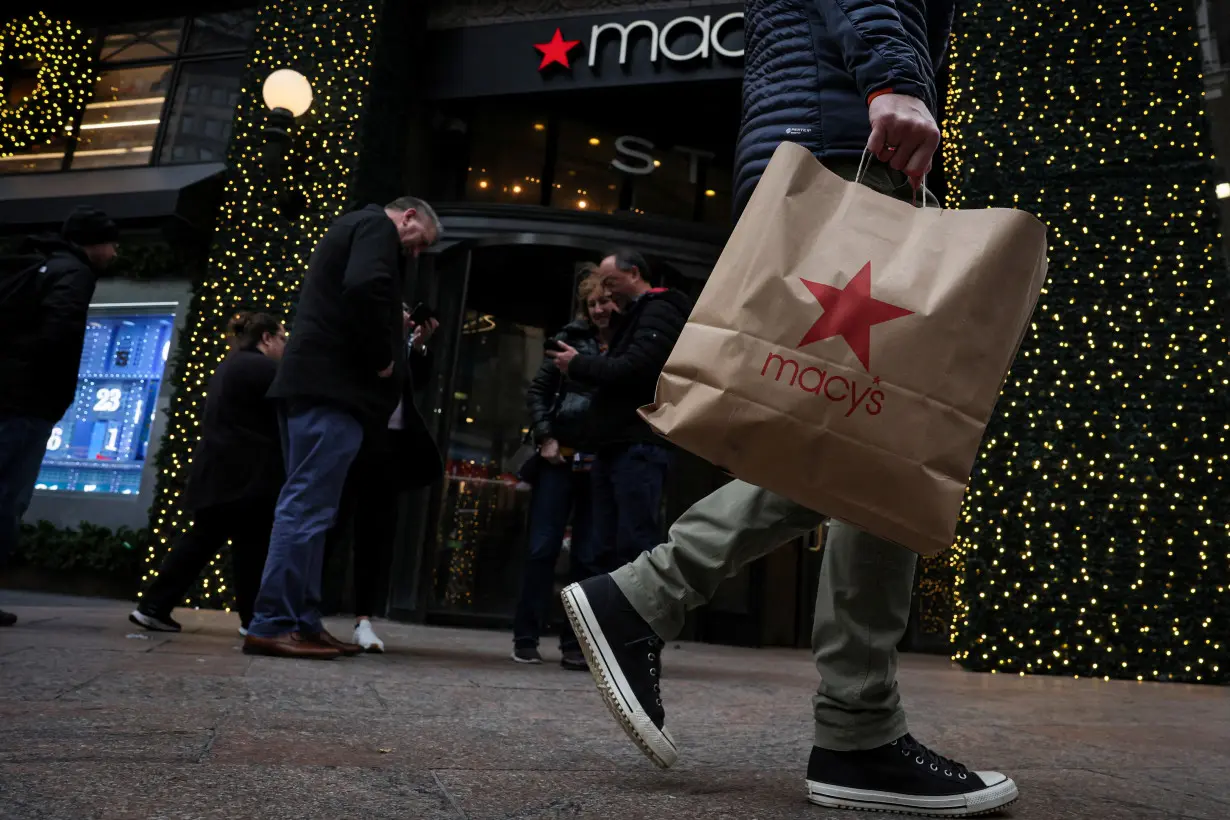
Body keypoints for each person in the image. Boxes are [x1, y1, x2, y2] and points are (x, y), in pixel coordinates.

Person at [561, 1, 1021, 817]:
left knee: (869, 433)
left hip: (824, 138)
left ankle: (844, 720)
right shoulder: (875, 96)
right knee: (887, 436)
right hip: (856, 142)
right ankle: (846, 725)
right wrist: (893, 80)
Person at [243, 196, 441, 660]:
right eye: (417, 243)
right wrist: (384, 357)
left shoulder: (355, 227)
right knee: (307, 508)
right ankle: (274, 622)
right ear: (408, 216)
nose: (413, 254)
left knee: (314, 510)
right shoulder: (376, 226)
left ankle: (303, 622)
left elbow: (358, 288)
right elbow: (367, 286)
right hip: (333, 390)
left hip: (318, 388)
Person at [129, 312, 287, 635]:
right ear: (266, 338)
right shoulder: (261, 368)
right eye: (283, 337)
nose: (286, 345)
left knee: (202, 541)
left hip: (220, 472)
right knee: (250, 549)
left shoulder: (232, 364)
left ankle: (154, 606)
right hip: (246, 476)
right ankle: (253, 621)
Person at [0, 206, 119, 627]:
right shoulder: (75, 274)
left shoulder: (40, 263)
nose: (115, 251)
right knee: (8, 499)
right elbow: (59, 333)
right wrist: (53, 394)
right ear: (95, 244)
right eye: (111, 242)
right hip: (26, 404)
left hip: (11, 397)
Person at [546, 250, 691, 571]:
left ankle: (633, 617)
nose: (606, 291)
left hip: (637, 445)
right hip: (620, 445)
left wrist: (579, 364)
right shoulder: (641, 315)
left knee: (631, 543)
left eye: (611, 282)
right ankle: (615, 617)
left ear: (634, 274)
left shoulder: (659, 310)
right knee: (608, 544)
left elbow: (636, 367)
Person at [512, 269, 618, 669]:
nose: (599, 309)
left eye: (605, 301)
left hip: (601, 461)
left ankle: (575, 645)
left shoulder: (629, 345)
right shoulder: (570, 338)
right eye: (592, 304)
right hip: (560, 458)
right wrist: (545, 437)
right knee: (542, 548)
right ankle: (526, 636)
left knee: (589, 557)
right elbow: (539, 390)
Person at [323, 301, 442, 653]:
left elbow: (417, 383)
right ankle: (304, 608)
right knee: (333, 526)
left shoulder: (403, 347)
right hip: (355, 444)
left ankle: (364, 619)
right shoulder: (369, 342)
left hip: (391, 451)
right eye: (400, 311)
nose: (407, 317)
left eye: (408, 311)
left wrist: (418, 345)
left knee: (377, 537)